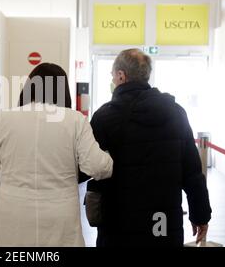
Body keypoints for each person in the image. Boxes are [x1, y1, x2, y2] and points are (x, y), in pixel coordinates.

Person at [0, 63, 113, 247]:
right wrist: (109, 159)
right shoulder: (75, 120)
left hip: (14, 213)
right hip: (60, 216)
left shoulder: (6, 118)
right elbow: (97, 166)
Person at [86, 49, 212, 247]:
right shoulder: (176, 113)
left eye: (113, 75)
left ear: (121, 75)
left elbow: (89, 165)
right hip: (163, 223)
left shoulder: (105, 117)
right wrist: (200, 214)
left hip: (118, 223)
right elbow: (192, 172)